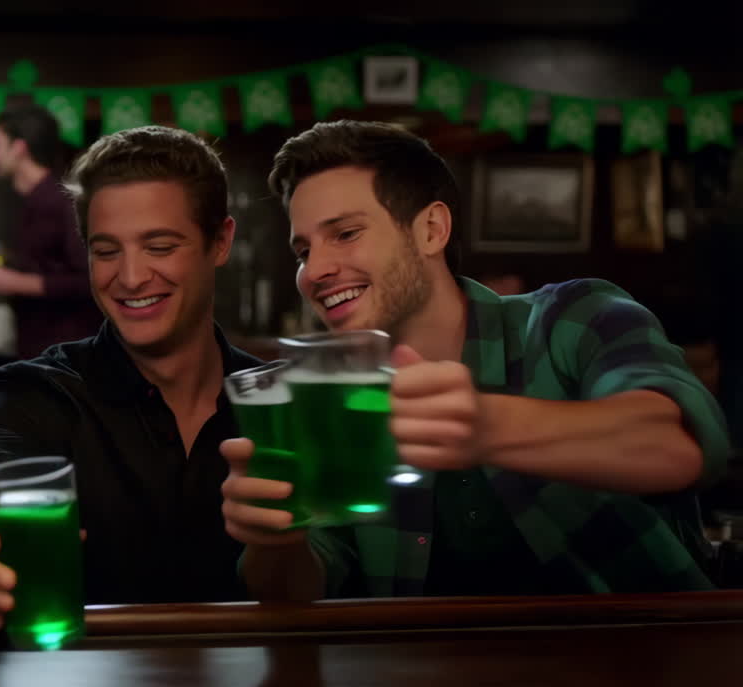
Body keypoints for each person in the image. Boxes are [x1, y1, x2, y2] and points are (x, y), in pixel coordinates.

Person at [223, 120, 730, 599]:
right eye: (302, 251)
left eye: (346, 233)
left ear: (431, 230)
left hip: (645, 670)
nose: (315, 271)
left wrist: (483, 425)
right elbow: (296, 591)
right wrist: (276, 536)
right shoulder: (334, 395)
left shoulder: (572, 317)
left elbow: (679, 445)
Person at [0, 126, 258, 629]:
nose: (130, 277)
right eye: (106, 251)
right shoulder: (33, 391)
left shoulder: (278, 403)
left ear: (220, 241)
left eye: (160, 246)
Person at [0, 105, 100, 359]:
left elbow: (89, 279)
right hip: (37, 345)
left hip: (66, 350)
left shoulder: (64, 201)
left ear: (19, 147)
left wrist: (16, 282)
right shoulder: (30, 201)